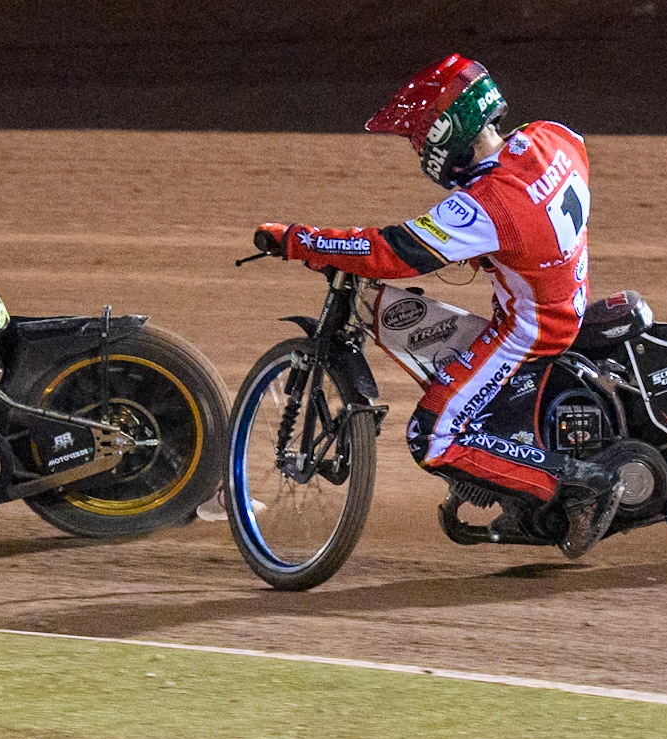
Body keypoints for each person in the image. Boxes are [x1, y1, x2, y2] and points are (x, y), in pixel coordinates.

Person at [249, 54, 623, 558]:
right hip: (565, 292)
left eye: (420, 133)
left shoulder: (486, 205)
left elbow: (392, 253)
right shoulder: (553, 136)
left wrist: (299, 240)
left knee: (431, 436)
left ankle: (578, 487)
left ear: (448, 130)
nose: (418, 145)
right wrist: (510, 253)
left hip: (530, 330)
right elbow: (537, 208)